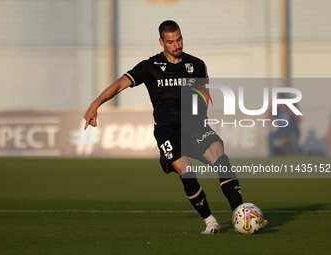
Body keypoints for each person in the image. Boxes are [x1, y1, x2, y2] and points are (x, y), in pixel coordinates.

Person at [84, 20, 265, 234]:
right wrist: (95, 104)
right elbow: (118, 85)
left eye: (179, 39)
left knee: (221, 159)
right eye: (171, 42)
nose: (177, 45)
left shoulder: (197, 65)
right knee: (187, 171)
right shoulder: (150, 67)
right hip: (167, 130)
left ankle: (241, 212)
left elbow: (202, 98)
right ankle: (210, 221)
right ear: (162, 42)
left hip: (195, 126)